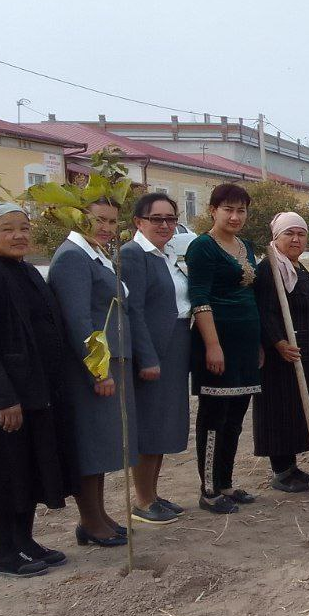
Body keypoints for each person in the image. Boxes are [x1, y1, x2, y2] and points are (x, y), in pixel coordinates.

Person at [0, 203, 79, 577]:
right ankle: (1, 552)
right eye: (8, 229)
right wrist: (3, 398)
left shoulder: (26, 272)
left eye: (24, 228)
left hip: (37, 392)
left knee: (27, 470)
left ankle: (24, 542)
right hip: (6, 399)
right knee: (6, 473)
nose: (19, 235)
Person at [47, 197, 139, 546]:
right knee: (90, 445)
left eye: (113, 223)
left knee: (102, 446)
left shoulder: (95, 254)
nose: (106, 228)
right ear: (78, 217)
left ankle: (99, 515)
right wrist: (98, 372)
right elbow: (78, 321)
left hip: (109, 363)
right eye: (98, 220)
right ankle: (90, 521)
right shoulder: (72, 257)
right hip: (92, 367)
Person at [186, 183, 261, 514]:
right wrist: (212, 345)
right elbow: (199, 298)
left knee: (235, 418)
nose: (235, 216)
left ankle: (227, 482)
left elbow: (252, 294)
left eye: (241, 210)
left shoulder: (245, 245)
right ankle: (209, 488)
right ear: (213, 210)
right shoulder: (202, 247)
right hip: (218, 343)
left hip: (246, 345)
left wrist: (258, 343)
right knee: (214, 417)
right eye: (228, 209)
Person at [120, 193, 191, 524]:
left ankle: (154, 492)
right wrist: (146, 357)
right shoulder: (134, 255)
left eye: (170, 219)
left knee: (164, 423)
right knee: (150, 425)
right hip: (153, 351)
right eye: (156, 219)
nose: (165, 225)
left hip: (175, 344)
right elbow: (132, 310)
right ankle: (143, 500)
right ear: (138, 222)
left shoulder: (166, 254)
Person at [252, 212, 309, 492]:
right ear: (276, 237)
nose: (296, 239)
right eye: (289, 234)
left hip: (308, 349)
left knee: (300, 409)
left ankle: (292, 468)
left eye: (301, 234)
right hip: (284, 355)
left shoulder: (295, 266)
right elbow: (264, 309)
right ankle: (282, 470)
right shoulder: (270, 268)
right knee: (281, 409)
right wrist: (278, 342)